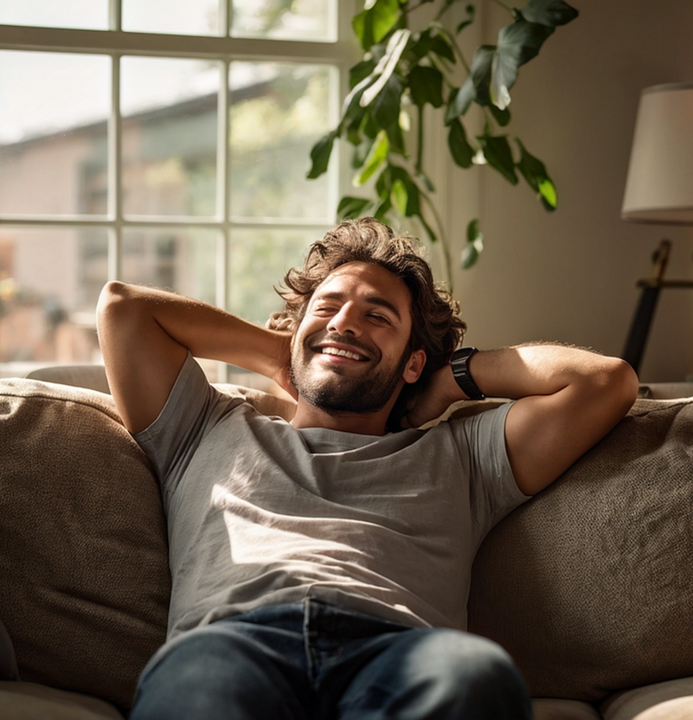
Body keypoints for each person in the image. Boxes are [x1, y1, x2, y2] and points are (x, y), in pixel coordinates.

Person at [96, 218, 637, 720]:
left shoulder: (463, 455)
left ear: (413, 362)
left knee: (477, 675)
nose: (347, 322)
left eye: (377, 316)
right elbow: (124, 308)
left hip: (400, 651)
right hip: (230, 644)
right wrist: (285, 351)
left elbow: (605, 381)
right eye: (328, 307)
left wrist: (449, 381)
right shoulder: (204, 426)